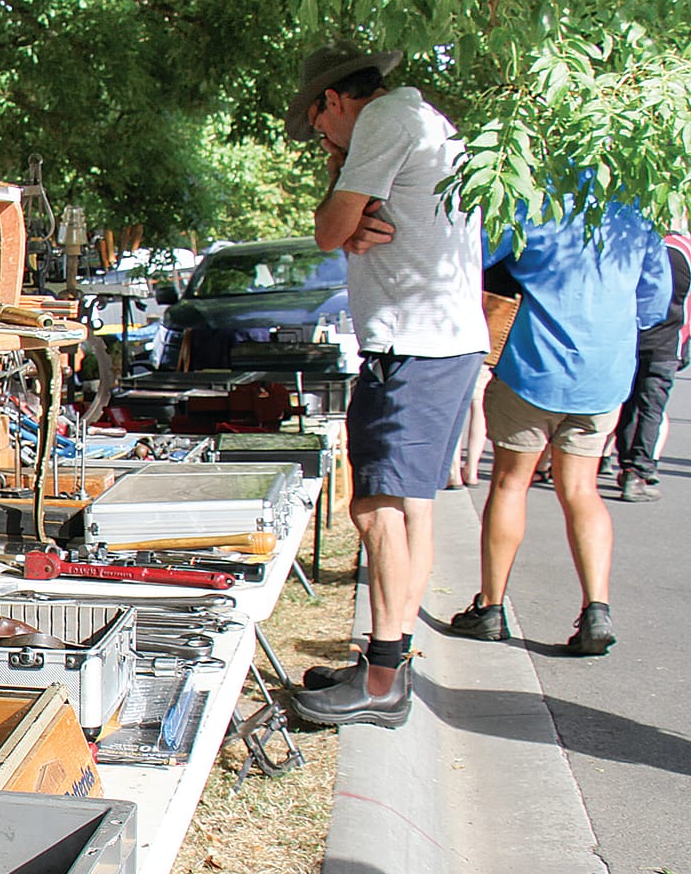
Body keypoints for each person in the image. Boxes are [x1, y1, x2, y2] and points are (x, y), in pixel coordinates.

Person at [283, 40, 488, 729]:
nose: (324, 142)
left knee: (376, 510)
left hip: (414, 344)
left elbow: (328, 229)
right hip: (440, 342)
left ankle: (382, 678)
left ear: (334, 101)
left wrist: (342, 214)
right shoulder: (418, 119)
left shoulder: (384, 122)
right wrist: (344, 218)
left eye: (319, 129)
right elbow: (342, 226)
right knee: (411, 508)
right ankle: (387, 661)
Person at [445, 186, 671, 654]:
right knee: (581, 490)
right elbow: (654, 304)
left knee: (509, 484)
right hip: (603, 377)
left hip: (533, 367)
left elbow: (475, 255)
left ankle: (490, 608)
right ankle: (596, 610)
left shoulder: (534, 199)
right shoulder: (637, 209)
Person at [610, 231, 689, 502]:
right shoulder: (684, 252)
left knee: (627, 404)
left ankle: (624, 464)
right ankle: (638, 473)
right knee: (650, 408)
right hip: (667, 343)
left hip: (631, 337)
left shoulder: (634, 244)